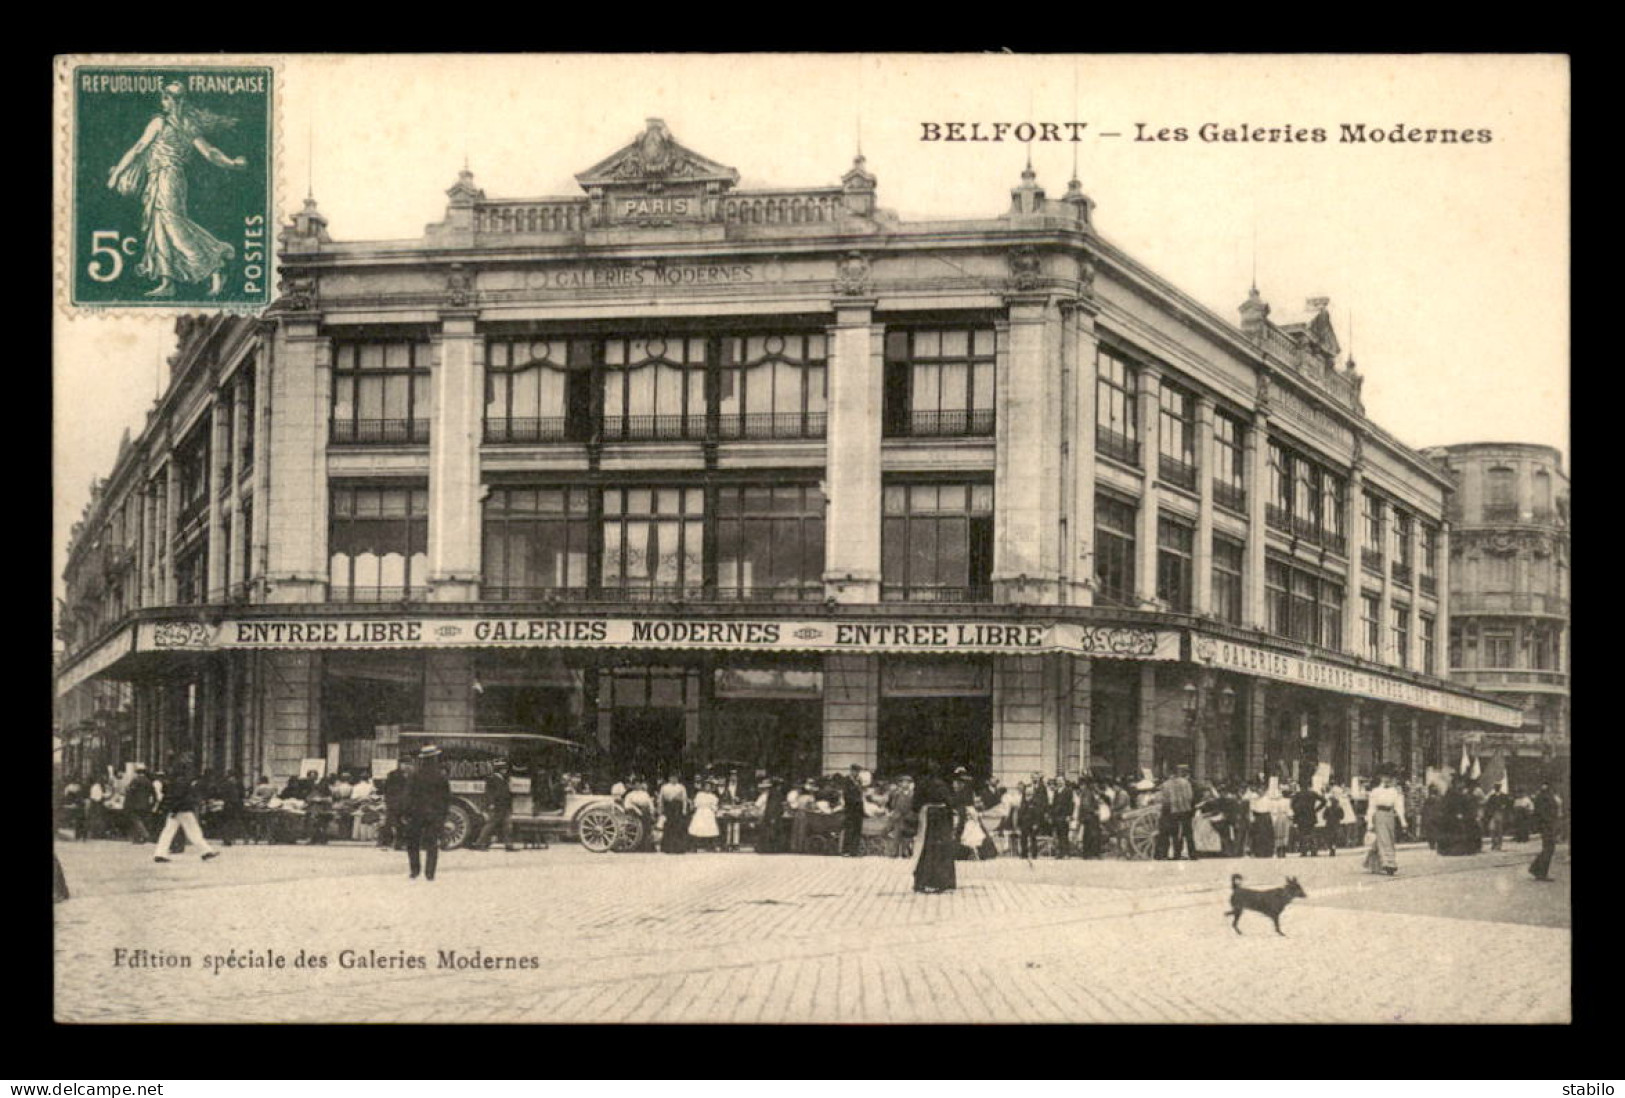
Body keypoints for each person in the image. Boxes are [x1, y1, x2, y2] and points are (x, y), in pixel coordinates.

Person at [105, 82, 247, 298]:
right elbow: (210, 153)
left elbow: (138, 149)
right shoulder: (187, 124)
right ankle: (167, 281)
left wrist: (116, 174)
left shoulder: (160, 122)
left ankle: (214, 264)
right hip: (162, 178)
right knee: (159, 227)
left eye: (166, 98)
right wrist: (232, 163)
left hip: (167, 178)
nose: (164, 102)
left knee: (173, 226)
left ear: (174, 100)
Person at [151, 764, 219, 865]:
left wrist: (171, 810)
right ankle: (206, 851)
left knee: (168, 832)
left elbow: (170, 797)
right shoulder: (182, 783)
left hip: (175, 810)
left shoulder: (172, 782)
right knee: (194, 831)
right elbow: (181, 798)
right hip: (183, 809)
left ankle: (160, 853)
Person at [402, 745, 450, 880]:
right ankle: (430, 873)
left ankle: (415, 870)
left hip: (416, 813)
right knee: (432, 844)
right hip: (434, 815)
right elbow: (446, 798)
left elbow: (408, 795)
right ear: (434, 758)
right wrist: (443, 816)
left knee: (413, 843)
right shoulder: (441, 776)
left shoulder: (415, 775)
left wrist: (406, 813)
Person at [911, 766, 957, 894]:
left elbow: (915, 805)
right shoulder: (943, 785)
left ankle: (924, 880)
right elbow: (950, 803)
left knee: (928, 847)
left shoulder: (922, 785)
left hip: (928, 815)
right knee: (942, 848)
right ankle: (943, 882)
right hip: (942, 816)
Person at [1362, 770, 1408, 876]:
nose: (1386, 780)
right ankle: (1389, 863)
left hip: (1390, 815)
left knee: (1389, 839)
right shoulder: (1375, 791)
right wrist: (1369, 822)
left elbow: (1399, 806)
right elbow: (1371, 807)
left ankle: (1372, 863)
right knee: (1384, 839)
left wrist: (1403, 821)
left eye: (1389, 777)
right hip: (1379, 815)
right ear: (1381, 778)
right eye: (1384, 777)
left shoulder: (1394, 792)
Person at [473, 761, 516, 852]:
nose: (505, 770)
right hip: (497, 805)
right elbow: (489, 793)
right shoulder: (492, 779)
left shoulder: (503, 779)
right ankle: (479, 843)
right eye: (503, 768)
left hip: (504, 805)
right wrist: (491, 804)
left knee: (507, 826)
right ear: (499, 769)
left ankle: (509, 845)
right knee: (491, 825)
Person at [1159, 765, 1197, 861]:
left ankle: (1177, 854)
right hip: (1186, 810)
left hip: (1173, 811)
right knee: (1188, 833)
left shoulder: (1166, 784)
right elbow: (1190, 796)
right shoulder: (1186, 783)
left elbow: (1164, 800)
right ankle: (1192, 854)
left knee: (1175, 833)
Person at [1529, 781, 1562, 882]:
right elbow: (1543, 813)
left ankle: (1536, 869)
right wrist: (1550, 824)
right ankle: (1540, 872)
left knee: (1548, 848)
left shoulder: (1546, 796)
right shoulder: (1545, 797)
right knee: (1549, 848)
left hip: (1548, 825)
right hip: (1547, 825)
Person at [1290, 782, 1327, 857]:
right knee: (1311, 833)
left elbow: (1292, 805)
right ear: (1308, 786)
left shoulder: (1298, 794)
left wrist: (1297, 811)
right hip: (1311, 815)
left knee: (1302, 833)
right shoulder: (1312, 793)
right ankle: (1314, 850)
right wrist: (1316, 809)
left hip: (1301, 816)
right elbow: (1324, 801)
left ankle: (1304, 851)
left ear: (1300, 786)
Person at [659, 773, 691, 854]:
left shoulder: (681, 787)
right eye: (672, 777)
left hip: (678, 808)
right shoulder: (664, 787)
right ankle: (668, 848)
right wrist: (661, 809)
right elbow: (661, 799)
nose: (673, 779)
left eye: (675, 777)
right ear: (669, 778)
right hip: (668, 808)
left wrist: (684, 809)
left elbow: (684, 799)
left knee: (678, 827)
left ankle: (679, 848)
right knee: (668, 827)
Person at [379, 763, 409, 850]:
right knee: (399, 824)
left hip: (392, 803)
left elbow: (385, 790)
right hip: (399, 804)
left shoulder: (391, 778)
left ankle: (386, 842)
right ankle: (398, 843)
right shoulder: (402, 778)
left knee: (390, 823)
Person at [840, 764, 867, 857]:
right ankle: (846, 851)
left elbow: (861, 794)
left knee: (857, 830)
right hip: (850, 809)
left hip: (858, 809)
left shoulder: (859, 781)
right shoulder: (846, 780)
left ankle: (854, 851)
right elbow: (846, 795)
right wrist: (855, 801)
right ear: (851, 771)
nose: (857, 773)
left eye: (858, 771)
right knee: (849, 830)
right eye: (855, 771)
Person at [756, 778, 787, 854]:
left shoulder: (772, 793)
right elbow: (773, 806)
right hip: (773, 816)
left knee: (768, 832)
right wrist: (773, 816)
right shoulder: (776, 793)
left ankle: (766, 848)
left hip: (770, 815)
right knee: (771, 832)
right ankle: (770, 848)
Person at [124, 766, 154, 844]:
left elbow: (130, 791)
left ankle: (145, 834)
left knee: (135, 820)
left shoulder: (135, 780)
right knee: (142, 820)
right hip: (146, 804)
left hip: (135, 804)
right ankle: (138, 838)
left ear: (137, 773)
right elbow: (153, 794)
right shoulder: (148, 781)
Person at [690, 781, 721, 852]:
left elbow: (714, 806)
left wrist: (713, 809)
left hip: (709, 813)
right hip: (700, 812)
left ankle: (710, 846)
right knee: (697, 829)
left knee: (710, 829)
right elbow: (696, 804)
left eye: (709, 786)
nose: (707, 788)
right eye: (706, 786)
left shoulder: (713, 796)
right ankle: (694, 846)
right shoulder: (699, 795)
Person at [1049, 777, 1076, 859]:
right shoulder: (1056, 791)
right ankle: (1059, 853)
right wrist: (1052, 816)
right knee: (1058, 835)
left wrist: (1069, 815)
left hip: (1064, 816)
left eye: (1061, 781)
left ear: (1064, 782)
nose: (1059, 782)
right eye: (1058, 781)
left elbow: (1071, 804)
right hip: (1057, 816)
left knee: (1064, 835)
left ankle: (1066, 853)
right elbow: (1054, 804)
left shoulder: (1068, 791)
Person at [1483, 785, 1513, 851]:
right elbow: (1488, 805)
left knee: (1499, 830)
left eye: (1498, 786)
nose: (1497, 788)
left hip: (1501, 814)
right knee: (1492, 829)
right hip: (1493, 814)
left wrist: (1504, 808)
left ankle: (1499, 844)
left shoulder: (1504, 796)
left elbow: (1509, 805)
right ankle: (1494, 844)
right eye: (1496, 787)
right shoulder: (1492, 796)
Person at [1320, 788, 1345, 856]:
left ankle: (1331, 848)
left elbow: (1324, 817)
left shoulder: (1328, 808)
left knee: (1329, 836)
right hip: (1336, 823)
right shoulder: (1339, 808)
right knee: (1335, 836)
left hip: (1329, 824)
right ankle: (1334, 847)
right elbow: (1342, 816)